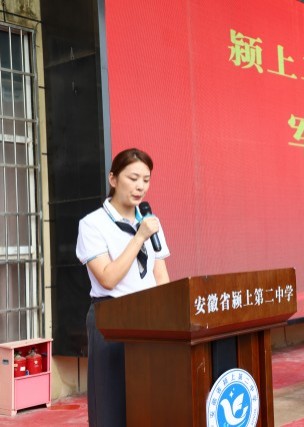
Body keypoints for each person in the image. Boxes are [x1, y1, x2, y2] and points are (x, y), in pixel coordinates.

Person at [76, 148, 171, 426]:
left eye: (146, 179)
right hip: (111, 318)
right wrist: (139, 237)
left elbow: (160, 275)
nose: (141, 186)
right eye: (133, 178)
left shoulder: (151, 222)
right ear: (113, 179)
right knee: (111, 402)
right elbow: (107, 278)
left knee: (148, 400)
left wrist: (168, 315)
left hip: (150, 317)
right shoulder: (92, 224)